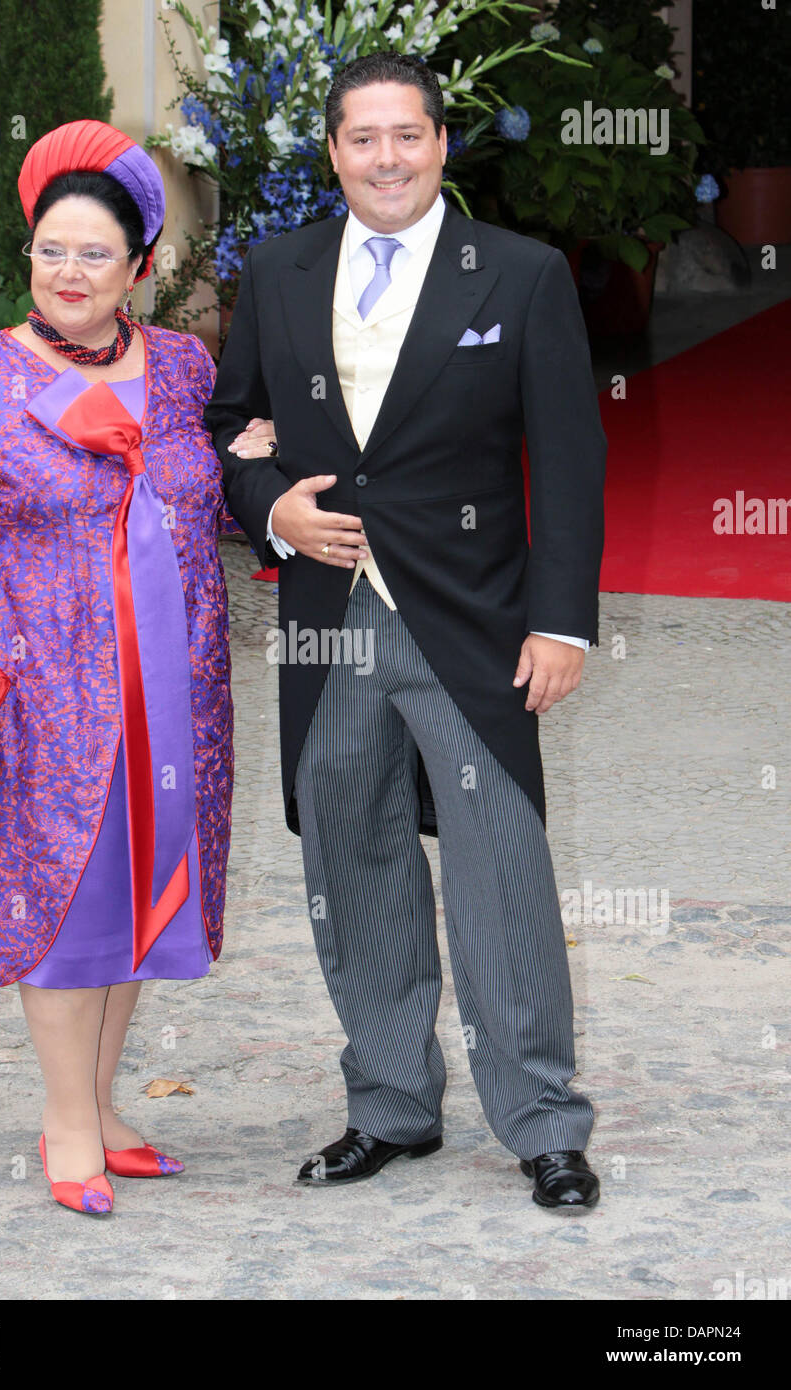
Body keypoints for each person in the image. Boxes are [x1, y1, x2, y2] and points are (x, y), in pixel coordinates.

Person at [209, 53, 607, 1209]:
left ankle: (542, 1121)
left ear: (442, 145)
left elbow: (571, 459)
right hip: (328, 621)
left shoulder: (521, 277)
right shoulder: (277, 272)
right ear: (332, 151)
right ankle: (390, 1105)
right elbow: (228, 424)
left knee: (503, 871)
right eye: (363, 138)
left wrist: (562, 622)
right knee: (355, 857)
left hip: (472, 622)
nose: (387, 158)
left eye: (408, 136)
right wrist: (272, 509)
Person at [0, 119, 271, 1216]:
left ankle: (101, 1103)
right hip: (43, 685)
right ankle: (64, 1126)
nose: (69, 273)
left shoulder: (183, 366)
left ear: (140, 265)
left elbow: (214, 486)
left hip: (173, 679)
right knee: (62, 896)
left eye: (95, 253)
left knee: (141, 892)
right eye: (52, 250)